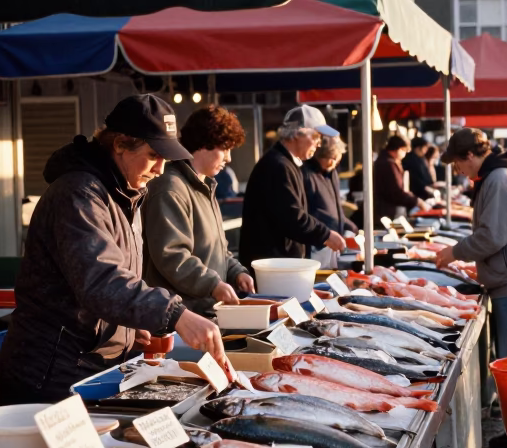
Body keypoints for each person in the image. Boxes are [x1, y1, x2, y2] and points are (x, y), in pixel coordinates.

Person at [0, 95, 226, 404]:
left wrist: (127, 331)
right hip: (49, 372)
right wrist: (174, 313)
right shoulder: (79, 194)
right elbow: (101, 281)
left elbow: (112, 283)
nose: (160, 169)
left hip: (89, 365)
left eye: (165, 158)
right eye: (153, 154)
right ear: (119, 144)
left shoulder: (125, 192)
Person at [433, 129, 507, 448]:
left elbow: (493, 236)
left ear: (469, 156)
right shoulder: (500, 175)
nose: (457, 171)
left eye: (457, 164)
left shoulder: (497, 180)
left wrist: (456, 252)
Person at [143, 105, 254, 316]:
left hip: (205, 312)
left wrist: (235, 271)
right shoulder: (170, 187)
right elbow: (172, 256)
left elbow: (216, 250)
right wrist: (213, 285)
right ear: (204, 144)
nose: (229, 158)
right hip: (180, 318)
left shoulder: (205, 186)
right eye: (225, 148)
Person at [239, 105, 347, 267]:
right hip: (271, 267)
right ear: (298, 134)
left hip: (278, 264)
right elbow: (292, 217)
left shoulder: (287, 164)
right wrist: (325, 234)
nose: (318, 144)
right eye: (316, 137)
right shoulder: (278, 166)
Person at [302, 135, 358, 235]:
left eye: (336, 160)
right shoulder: (306, 175)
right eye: (331, 159)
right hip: (318, 238)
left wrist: (349, 225)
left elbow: (336, 208)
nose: (333, 163)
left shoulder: (332, 173)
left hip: (334, 236)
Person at [373, 134, 422, 223]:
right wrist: (416, 201)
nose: (404, 154)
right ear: (398, 149)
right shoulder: (388, 164)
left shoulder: (388, 162)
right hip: (387, 211)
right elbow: (396, 192)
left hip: (388, 209)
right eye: (404, 150)